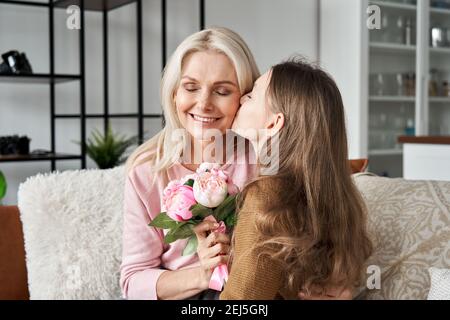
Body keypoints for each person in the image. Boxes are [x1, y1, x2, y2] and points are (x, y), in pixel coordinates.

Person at [120, 26, 259, 300]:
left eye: (222, 91)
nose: (204, 103)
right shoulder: (147, 171)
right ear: (174, 94)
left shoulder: (260, 160)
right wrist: (203, 274)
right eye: (191, 87)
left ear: (244, 98)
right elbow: (133, 283)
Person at [219, 58, 373, 300]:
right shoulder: (334, 197)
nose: (241, 98)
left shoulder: (266, 196)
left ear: (273, 123)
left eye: (251, 96)